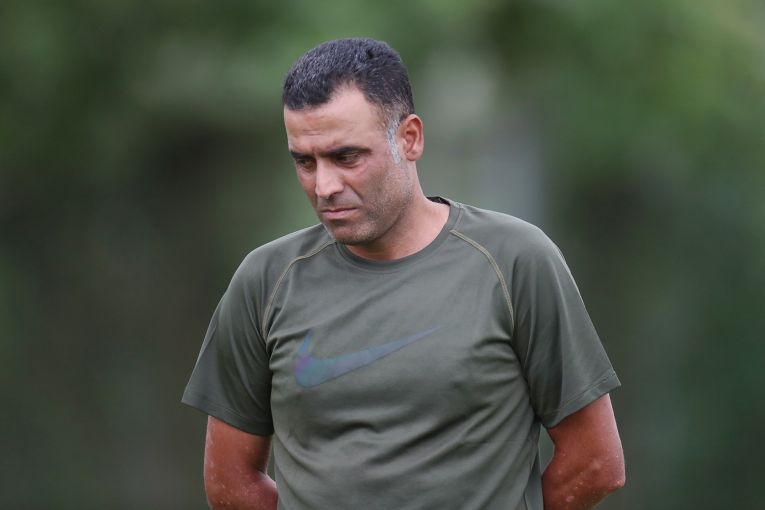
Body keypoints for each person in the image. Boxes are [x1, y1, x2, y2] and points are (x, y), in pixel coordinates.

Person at [182, 38, 625, 510]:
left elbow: (595, 462)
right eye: (305, 162)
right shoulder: (265, 281)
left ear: (409, 138)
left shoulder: (516, 261)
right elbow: (229, 481)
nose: (324, 186)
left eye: (346, 157)